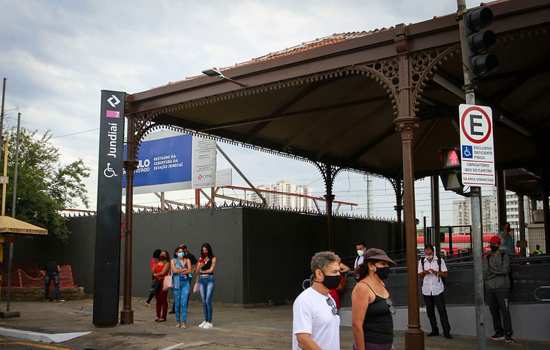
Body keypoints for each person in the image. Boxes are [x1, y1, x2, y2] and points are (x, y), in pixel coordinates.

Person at [292, 251, 341, 350]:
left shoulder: (329, 298)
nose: (338, 275)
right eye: (334, 272)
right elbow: (303, 340)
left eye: (339, 271)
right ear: (319, 273)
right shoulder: (305, 300)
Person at [352, 248, 395, 350]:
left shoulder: (381, 283)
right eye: (383, 264)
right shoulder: (362, 288)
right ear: (371, 266)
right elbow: (356, 325)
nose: (387, 267)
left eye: (388, 264)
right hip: (371, 344)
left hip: (387, 344)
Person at [484, 236, 514, 343]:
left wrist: (493, 272)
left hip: (503, 288)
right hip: (490, 288)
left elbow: (505, 270)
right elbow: (485, 273)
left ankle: (508, 334)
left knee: (505, 311)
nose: (493, 246)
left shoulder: (504, 255)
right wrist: (497, 272)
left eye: (495, 244)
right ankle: (499, 332)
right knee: (494, 311)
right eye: (492, 244)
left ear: (498, 244)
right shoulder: (487, 257)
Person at [418, 244, 452, 339]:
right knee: (430, 312)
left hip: (438, 290)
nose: (428, 255)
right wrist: (425, 272)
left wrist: (436, 272)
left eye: (429, 253)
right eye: (426, 253)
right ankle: (434, 330)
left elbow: (445, 274)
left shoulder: (440, 261)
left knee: (442, 311)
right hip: (427, 291)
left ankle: (446, 331)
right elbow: (420, 275)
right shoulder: (421, 261)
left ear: (433, 252)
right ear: (424, 252)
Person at [196, 243, 217, 329]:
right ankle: (205, 320)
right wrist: (200, 266)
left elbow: (211, 270)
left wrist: (202, 270)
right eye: (203, 250)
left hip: (209, 280)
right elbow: (197, 271)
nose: (204, 251)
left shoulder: (213, 258)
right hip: (201, 280)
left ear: (209, 250)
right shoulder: (201, 258)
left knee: (208, 300)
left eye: (206, 250)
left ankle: (210, 321)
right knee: (204, 301)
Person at [171, 246, 192, 328]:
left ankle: (183, 322)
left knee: (184, 303)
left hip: (185, 283)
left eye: (182, 251)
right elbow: (174, 270)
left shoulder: (187, 260)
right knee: (177, 303)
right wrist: (183, 270)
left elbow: (190, 270)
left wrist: (180, 271)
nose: (181, 253)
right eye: (179, 251)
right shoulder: (173, 261)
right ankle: (177, 321)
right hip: (176, 283)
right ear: (176, 253)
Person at [153, 250, 170, 322]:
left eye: (164, 254)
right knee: (158, 299)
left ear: (166, 256)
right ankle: (158, 315)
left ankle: (163, 316)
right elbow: (153, 270)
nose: (162, 255)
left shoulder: (167, 263)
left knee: (163, 299)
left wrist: (156, 274)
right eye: (161, 254)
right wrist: (155, 274)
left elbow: (163, 272)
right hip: (157, 282)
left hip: (163, 282)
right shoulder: (157, 262)